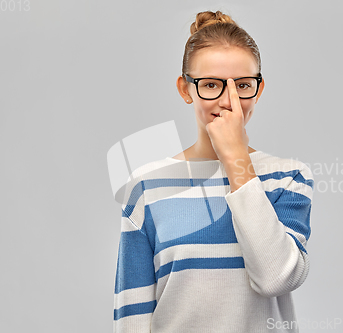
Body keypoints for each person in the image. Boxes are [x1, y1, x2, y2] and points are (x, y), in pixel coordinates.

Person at [113, 10, 314, 333]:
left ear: (258, 90)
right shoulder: (146, 186)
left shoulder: (288, 177)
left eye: (243, 85)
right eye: (211, 85)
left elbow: (277, 278)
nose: (229, 101)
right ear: (185, 89)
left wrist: (237, 160)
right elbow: (132, 315)